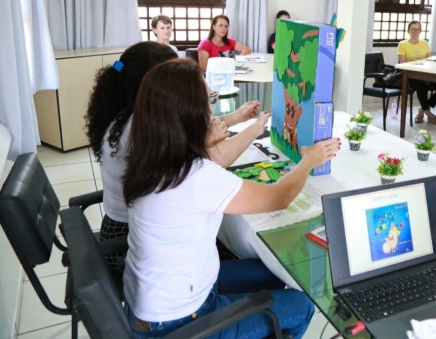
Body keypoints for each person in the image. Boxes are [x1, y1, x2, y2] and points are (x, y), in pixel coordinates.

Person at [122, 59, 340, 339]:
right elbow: (279, 197)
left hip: (153, 305)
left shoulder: (151, 155)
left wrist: (253, 127)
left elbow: (215, 159)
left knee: (275, 272)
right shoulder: (196, 176)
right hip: (180, 323)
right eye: (208, 100)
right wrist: (308, 161)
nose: (211, 110)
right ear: (189, 113)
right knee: (302, 305)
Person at [85, 42, 264, 272]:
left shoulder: (124, 116)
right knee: (237, 251)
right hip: (130, 241)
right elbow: (210, 157)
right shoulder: (139, 128)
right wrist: (255, 128)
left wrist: (233, 118)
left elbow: (189, 138)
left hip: (124, 227)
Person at [397, 21, 436, 125]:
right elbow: (404, 65)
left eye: (417, 29)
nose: (415, 31)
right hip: (411, 76)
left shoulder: (425, 43)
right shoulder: (403, 44)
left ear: (420, 31)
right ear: (408, 31)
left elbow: (429, 62)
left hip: (426, 74)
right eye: (412, 29)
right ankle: (428, 112)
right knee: (420, 84)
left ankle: (422, 110)